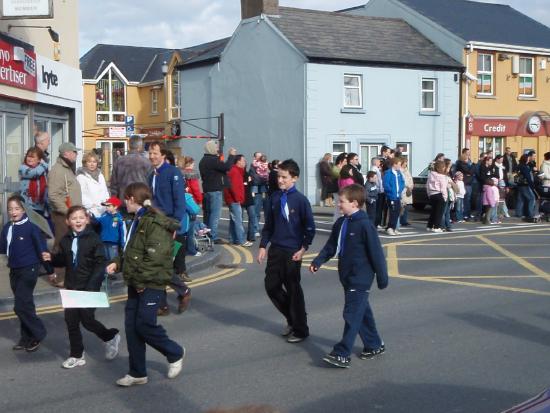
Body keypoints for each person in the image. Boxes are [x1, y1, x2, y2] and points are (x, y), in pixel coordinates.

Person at [106, 183, 185, 386]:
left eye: (126, 199)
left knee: (144, 325)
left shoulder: (153, 223)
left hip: (151, 282)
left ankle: (175, 352)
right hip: (137, 281)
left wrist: (141, 281)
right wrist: (117, 262)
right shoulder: (137, 219)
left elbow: (155, 257)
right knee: (132, 327)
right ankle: (137, 372)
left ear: (132, 199)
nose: (124, 202)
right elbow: (132, 250)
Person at [309, 184, 388, 368]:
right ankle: (374, 344)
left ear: (354, 203)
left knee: (351, 314)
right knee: (361, 312)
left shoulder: (365, 225)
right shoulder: (341, 223)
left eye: (341, 202)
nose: (338, 205)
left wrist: (382, 279)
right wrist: (318, 261)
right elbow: (331, 247)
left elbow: (376, 254)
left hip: (360, 277)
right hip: (346, 276)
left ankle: (342, 353)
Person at [43, 206, 120, 368]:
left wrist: (91, 286)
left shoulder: (93, 239)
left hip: (88, 286)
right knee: (71, 321)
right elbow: (63, 261)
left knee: (87, 320)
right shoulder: (66, 240)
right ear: (68, 221)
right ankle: (77, 355)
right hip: (71, 286)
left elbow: (100, 264)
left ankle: (110, 336)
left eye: (80, 218)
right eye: (74, 218)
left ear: (87, 219)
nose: (77, 221)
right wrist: (51, 258)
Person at [257, 159, 315, 344]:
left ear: (294, 178)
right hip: (276, 250)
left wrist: (304, 248)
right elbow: (269, 226)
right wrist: (262, 246)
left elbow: (310, 228)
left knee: (293, 289)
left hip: (292, 252)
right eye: (278, 176)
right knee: (271, 286)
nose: (280, 180)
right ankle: (291, 317)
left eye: (284, 177)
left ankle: (300, 329)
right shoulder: (274, 198)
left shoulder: (301, 200)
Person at [0, 195, 52, 352]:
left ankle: (38, 333)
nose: (13, 212)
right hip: (14, 269)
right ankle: (26, 338)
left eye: (17, 208)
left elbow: (42, 250)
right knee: (26, 304)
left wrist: (50, 270)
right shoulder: (8, 227)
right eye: (10, 209)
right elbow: (2, 248)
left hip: (29, 268)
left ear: (23, 209)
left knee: (20, 305)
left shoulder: (32, 227)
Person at [147, 143, 191, 315]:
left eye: (155, 153)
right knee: (157, 264)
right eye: (150, 153)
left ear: (163, 155)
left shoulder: (173, 173)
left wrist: (174, 225)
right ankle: (163, 304)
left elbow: (179, 202)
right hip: (154, 223)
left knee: (160, 264)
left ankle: (181, 292)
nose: (151, 156)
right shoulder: (151, 174)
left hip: (168, 225)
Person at [48, 142, 83, 285]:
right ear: (66, 153)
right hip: (63, 215)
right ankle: (59, 277)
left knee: (67, 245)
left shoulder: (67, 168)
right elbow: (54, 195)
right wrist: (68, 212)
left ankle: (65, 275)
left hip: (70, 214)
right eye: (74, 152)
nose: (76, 154)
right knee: (61, 245)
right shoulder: (58, 171)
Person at [199, 140, 231, 244]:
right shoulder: (213, 160)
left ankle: (207, 234)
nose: (217, 149)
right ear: (211, 148)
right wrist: (231, 156)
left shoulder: (203, 160)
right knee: (215, 215)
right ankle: (213, 236)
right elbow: (227, 167)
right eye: (216, 147)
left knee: (208, 214)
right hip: (215, 190)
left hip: (206, 190)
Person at [224, 154, 253, 247]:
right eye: (243, 160)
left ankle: (232, 239)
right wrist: (238, 199)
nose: (245, 162)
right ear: (238, 161)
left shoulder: (235, 171)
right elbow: (235, 188)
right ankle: (241, 240)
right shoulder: (235, 171)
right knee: (238, 220)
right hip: (234, 200)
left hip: (232, 199)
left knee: (233, 220)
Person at [180, 156, 203, 256]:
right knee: (190, 227)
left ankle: (185, 248)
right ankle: (191, 249)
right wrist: (199, 200)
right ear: (191, 163)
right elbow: (195, 189)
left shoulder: (181, 173)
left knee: (185, 226)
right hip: (191, 201)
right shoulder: (192, 173)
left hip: (183, 201)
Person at [95, 196, 126, 270]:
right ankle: (106, 276)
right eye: (106, 206)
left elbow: (122, 232)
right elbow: (97, 220)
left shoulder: (119, 218)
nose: (107, 207)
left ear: (115, 207)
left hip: (113, 243)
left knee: (113, 260)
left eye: (109, 206)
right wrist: (90, 217)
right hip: (104, 242)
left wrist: (123, 243)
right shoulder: (104, 216)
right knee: (105, 259)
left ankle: (114, 275)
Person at [77, 152, 110, 218]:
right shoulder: (81, 177)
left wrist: (107, 203)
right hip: (90, 211)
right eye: (89, 162)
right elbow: (81, 194)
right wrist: (92, 205)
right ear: (85, 163)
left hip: (103, 210)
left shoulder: (100, 175)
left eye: (94, 162)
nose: (92, 164)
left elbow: (105, 191)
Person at [19, 147, 49, 218]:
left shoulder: (42, 170)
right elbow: (35, 173)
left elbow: (45, 187)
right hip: (27, 206)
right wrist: (44, 164)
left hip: (40, 206)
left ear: (39, 159)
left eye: (32, 157)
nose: (29, 159)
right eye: (28, 156)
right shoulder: (23, 168)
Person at [382, 157, 405, 236]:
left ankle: (393, 228)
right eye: (398, 164)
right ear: (394, 164)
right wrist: (392, 192)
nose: (399, 166)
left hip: (397, 196)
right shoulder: (388, 173)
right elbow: (386, 184)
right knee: (393, 212)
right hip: (391, 196)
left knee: (397, 212)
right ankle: (390, 228)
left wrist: (400, 190)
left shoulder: (398, 173)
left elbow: (402, 182)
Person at [426, 160, 448, 233]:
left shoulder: (430, 175)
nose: (444, 168)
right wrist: (445, 197)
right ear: (442, 168)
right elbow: (443, 188)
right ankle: (436, 227)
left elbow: (427, 186)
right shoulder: (442, 176)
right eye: (444, 167)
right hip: (439, 194)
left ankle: (429, 226)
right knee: (439, 212)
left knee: (433, 211)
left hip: (432, 194)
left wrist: (429, 194)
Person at [455, 148, 476, 221]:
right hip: (464, 182)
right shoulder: (460, 162)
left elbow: (472, 172)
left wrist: (470, 171)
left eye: (469, 153)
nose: (468, 154)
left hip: (469, 182)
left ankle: (467, 214)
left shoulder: (469, 161)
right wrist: (472, 166)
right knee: (464, 200)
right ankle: (463, 215)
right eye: (467, 153)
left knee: (468, 199)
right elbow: (468, 171)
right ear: (463, 153)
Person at [515, 153, 537, 221]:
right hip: (525, 185)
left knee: (520, 199)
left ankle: (518, 213)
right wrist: (532, 186)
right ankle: (531, 214)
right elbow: (528, 177)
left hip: (519, 184)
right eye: (528, 158)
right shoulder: (525, 167)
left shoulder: (519, 165)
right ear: (526, 159)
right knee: (532, 198)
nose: (528, 159)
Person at [332, 153, 348, 222]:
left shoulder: (344, 168)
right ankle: (336, 222)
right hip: (336, 190)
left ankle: (339, 222)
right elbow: (338, 176)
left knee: (341, 208)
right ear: (340, 161)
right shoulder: (335, 168)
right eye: (345, 161)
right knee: (338, 208)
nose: (346, 163)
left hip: (342, 190)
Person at [399, 158, 414, 227]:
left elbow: (410, 179)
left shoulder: (407, 170)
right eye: (405, 162)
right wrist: (408, 186)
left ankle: (404, 220)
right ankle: (401, 220)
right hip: (404, 190)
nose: (406, 163)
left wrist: (411, 185)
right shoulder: (400, 171)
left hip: (409, 190)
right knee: (403, 205)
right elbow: (402, 181)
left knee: (407, 206)